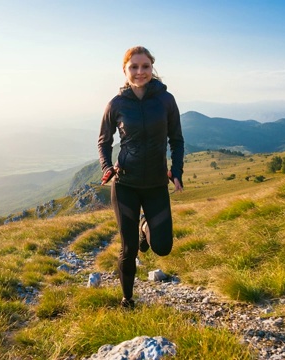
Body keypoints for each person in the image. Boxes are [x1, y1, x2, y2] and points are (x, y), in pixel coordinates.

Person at [98, 46, 185, 308]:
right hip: (125, 184)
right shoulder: (116, 104)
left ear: (152, 68)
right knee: (128, 249)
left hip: (156, 183)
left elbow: (177, 139)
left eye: (145, 66)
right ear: (125, 71)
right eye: (133, 67)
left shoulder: (165, 100)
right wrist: (106, 167)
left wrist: (177, 171)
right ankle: (127, 299)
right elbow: (104, 141)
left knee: (162, 247)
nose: (139, 72)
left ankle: (145, 226)